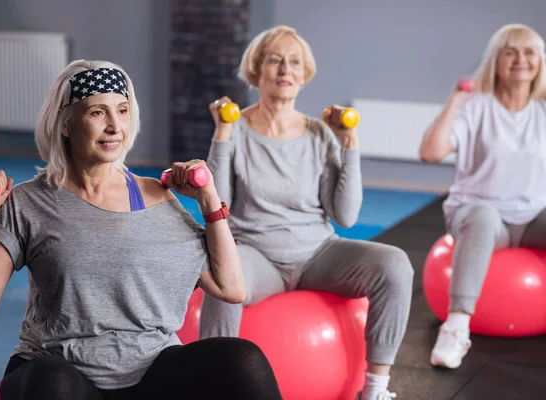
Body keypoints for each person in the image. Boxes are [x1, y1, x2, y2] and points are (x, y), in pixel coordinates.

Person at [0, 59, 283, 400]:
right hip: (60, 369)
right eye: (97, 112)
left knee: (243, 360)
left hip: (149, 369)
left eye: (122, 110)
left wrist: (210, 200)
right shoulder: (29, 202)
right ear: (66, 124)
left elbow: (231, 288)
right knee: (55, 384)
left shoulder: (158, 197)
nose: (113, 126)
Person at [199, 25, 414, 400]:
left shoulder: (319, 133)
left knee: (395, 265)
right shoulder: (237, 129)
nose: (285, 69)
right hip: (256, 254)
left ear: (304, 75)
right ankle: (211, 386)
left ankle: (376, 388)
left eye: (294, 62)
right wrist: (222, 135)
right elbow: (218, 206)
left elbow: (345, 215)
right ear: (256, 71)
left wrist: (350, 145)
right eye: (275, 60)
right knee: (222, 276)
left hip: (318, 253)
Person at [419, 23, 546, 369]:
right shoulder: (477, 107)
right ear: (496, 61)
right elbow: (430, 152)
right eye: (510, 52)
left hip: (533, 218)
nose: (521, 59)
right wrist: (456, 100)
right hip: (478, 216)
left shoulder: (542, 111)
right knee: (484, 215)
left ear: (540, 61)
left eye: (529, 52)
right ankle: (456, 326)